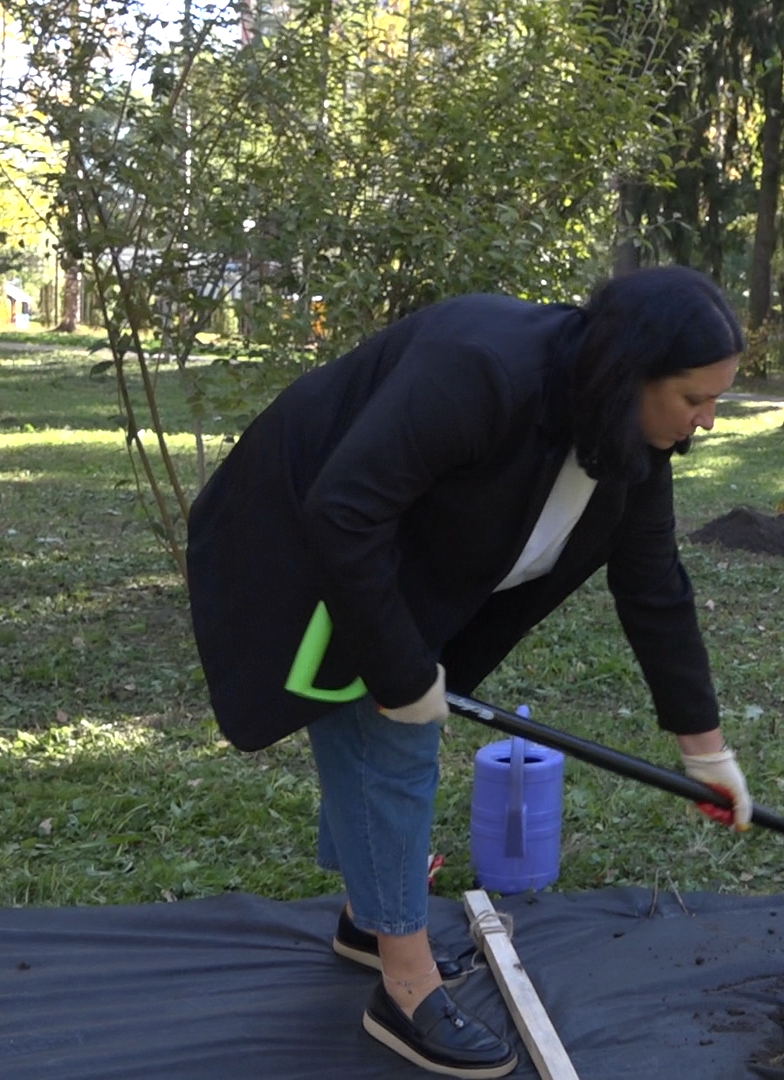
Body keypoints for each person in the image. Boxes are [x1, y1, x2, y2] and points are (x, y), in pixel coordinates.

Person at [186, 266, 754, 1078]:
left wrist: (706, 749)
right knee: (392, 739)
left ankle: (366, 917)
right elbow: (345, 511)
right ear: (632, 373)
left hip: (388, 548)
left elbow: (654, 585)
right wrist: (401, 669)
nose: (705, 424)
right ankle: (404, 989)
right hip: (301, 521)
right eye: (697, 399)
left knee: (384, 720)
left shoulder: (628, 437)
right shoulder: (484, 368)